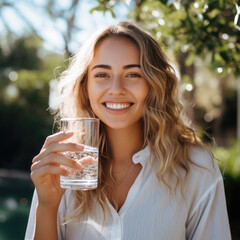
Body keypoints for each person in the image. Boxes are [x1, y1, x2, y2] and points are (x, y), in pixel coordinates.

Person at [25, 21, 231, 240]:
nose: (116, 89)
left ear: (153, 84)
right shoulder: (63, 166)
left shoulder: (196, 168)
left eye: (132, 75)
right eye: (102, 75)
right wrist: (47, 206)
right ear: (85, 87)